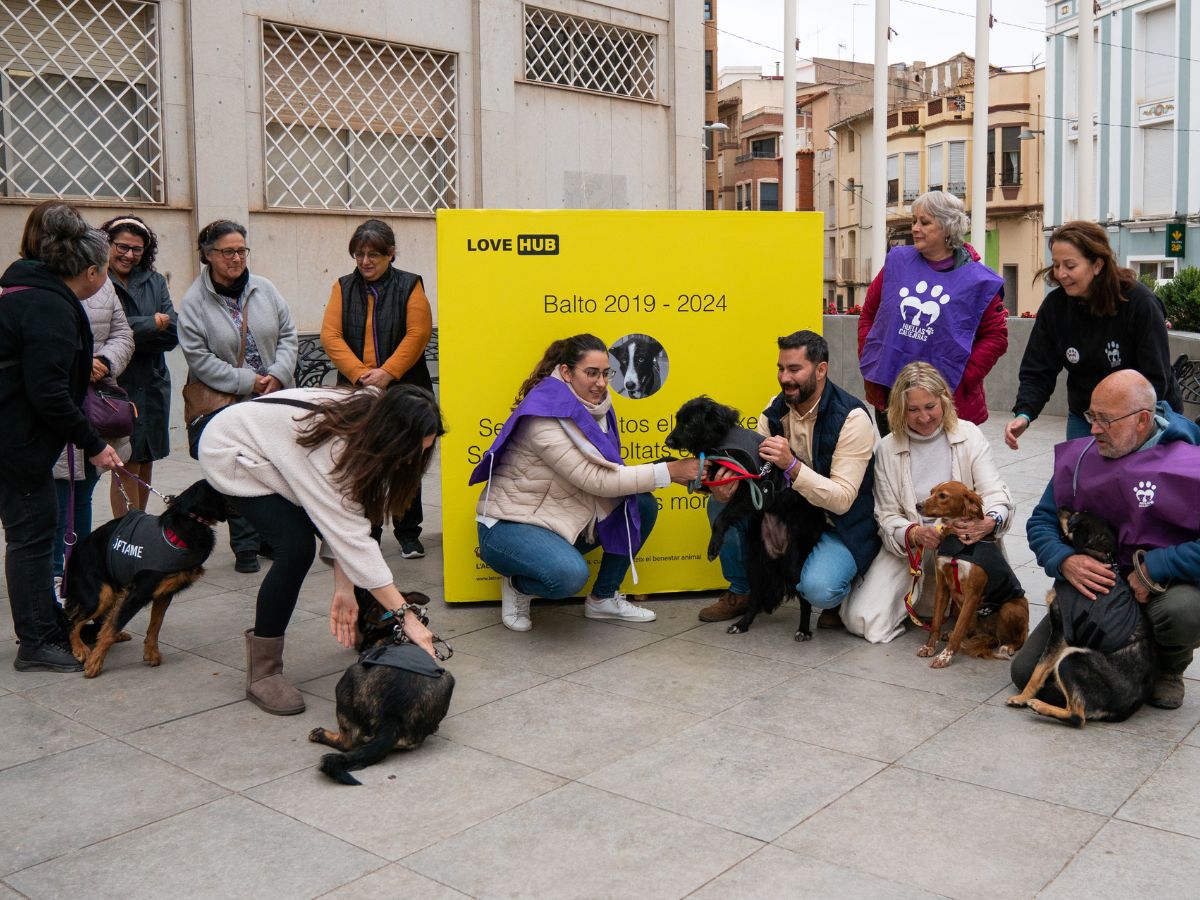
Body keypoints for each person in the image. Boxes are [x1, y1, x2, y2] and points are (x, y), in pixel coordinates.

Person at [199, 385, 441, 714]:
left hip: (277, 448)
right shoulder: (334, 449)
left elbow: (351, 519)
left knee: (344, 532)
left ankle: (364, 625)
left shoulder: (371, 422)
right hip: (234, 452)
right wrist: (408, 617)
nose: (412, 460)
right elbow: (347, 534)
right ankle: (264, 673)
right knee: (295, 548)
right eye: (411, 450)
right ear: (391, 433)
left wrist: (344, 589)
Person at [470, 334, 699, 632]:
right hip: (510, 526)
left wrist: (670, 471)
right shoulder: (542, 416)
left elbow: (610, 472)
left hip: (559, 518)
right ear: (566, 372)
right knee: (567, 577)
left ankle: (603, 599)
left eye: (605, 373)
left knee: (640, 503)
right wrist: (669, 471)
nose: (601, 383)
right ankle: (518, 586)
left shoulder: (595, 406)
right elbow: (596, 479)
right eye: (591, 373)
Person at [1017, 369, 1200, 710]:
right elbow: (1042, 520)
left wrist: (1155, 567)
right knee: (1026, 673)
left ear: (1143, 420)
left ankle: (1168, 669)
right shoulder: (1083, 456)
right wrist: (1064, 559)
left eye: (1105, 419)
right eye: (1091, 415)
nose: (1093, 429)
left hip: (1162, 586)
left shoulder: (1191, 464)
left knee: (1181, 611)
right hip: (1101, 589)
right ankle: (1116, 664)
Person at [0, 204, 123, 672]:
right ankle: (36, 642)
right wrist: (93, 442)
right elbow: (49, 390)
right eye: (106, 270)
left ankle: (47, 622)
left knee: (36, 531)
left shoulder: (30, 291)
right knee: (32, 538)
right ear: (91, 271)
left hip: (19, 439)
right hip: (18, 444)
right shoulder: (48, 304)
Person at [699, 330, 881, 627]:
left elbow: (843, 500)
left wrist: (793, 466)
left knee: (820, 590)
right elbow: (757, 472)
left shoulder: (852, 418)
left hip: (838, 524)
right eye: (781, 369)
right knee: (721, 504)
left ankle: (844, 592)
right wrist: (725, 485)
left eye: (795, 369)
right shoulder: (775, 408)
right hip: (790, 514)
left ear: (821, 370)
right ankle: (742, 591)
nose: (785, 377)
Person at [839, 362, 1014, 643]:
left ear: (944, 399)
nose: (923, 417)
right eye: (913, 409)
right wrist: (916, 533)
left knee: (989, 618)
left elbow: (994, 491)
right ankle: (917, 604)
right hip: (914, 548)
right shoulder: (887, 447)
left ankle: (945, 605)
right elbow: (885, 514)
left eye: (930, 406)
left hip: (966, 543)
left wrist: (989, 521)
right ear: (899, 409)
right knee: (861, 619)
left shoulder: (969, 435)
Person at [178, 219, 298, 573]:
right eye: (227, 252)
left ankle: (269, 537)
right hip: (227, 402)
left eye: (241, 250)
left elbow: (289, 335)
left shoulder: (265, 289)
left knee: (273, 467)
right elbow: (199, 360)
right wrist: (249, 381)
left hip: (272, 397)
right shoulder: (194, 301)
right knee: (237, 470)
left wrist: (277, 374)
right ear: (208, 255)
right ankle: (245, 546)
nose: (236, 258)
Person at [1004, 220, 1181, 450]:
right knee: (1073, 481)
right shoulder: (1055, 307)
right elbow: (1038, 369)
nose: (1061, 274)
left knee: (1133, 483)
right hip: (1085, 416)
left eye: (1070, 265)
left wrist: (1125, 424)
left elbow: (1155, 377)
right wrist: (1024, 413)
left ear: (1097, 265)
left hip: (1142, 416)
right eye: (1056, 265)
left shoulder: (1140, 303)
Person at [320, 218, 433, 559]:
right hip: (358, 390)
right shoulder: (343, 287)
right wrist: (359, 374)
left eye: (373, 254)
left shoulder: (410, 286)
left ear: (391, 254)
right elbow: (331, 336)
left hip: (404, 389)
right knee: (362, 463)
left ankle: (408, 533)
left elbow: (418, 334)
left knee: (406, 461)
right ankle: (366, 530)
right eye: (359, 254)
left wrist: (388, 373)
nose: (365, 261)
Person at [858, 190, 1008, 435]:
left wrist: (961, 378)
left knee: (942, 473)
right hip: (893, 394)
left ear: (948, 227)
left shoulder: (978, 281)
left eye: (925, 222)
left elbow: (996, 337)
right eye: (914, 221)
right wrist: (871, 355)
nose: (916, 228)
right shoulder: (897, 263)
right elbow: (869, 315)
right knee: (896, 469)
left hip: (947, 402)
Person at [51, 275, 134, 581]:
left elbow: (123, 334)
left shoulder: (102, 282)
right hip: (56, 404)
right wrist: (80, 365)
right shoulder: (42, 287)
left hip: (95, 407)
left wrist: (103, 361)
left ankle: (76, 572)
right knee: (57, 498)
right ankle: (54, 576)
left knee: (82, 493)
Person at [101, 215, 178, 516]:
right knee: (125, 461)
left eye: (137, 249)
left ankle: (141, 528)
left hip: (153, 381)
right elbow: (104, 330)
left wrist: (140, 331)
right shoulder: (97, 280)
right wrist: (150, 324)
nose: (129, 255)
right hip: (118, 384)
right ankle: (126, 534)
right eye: (122, 246)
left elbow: (172, 333)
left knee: (146, 459)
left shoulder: (155, 281)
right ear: (106, 244)